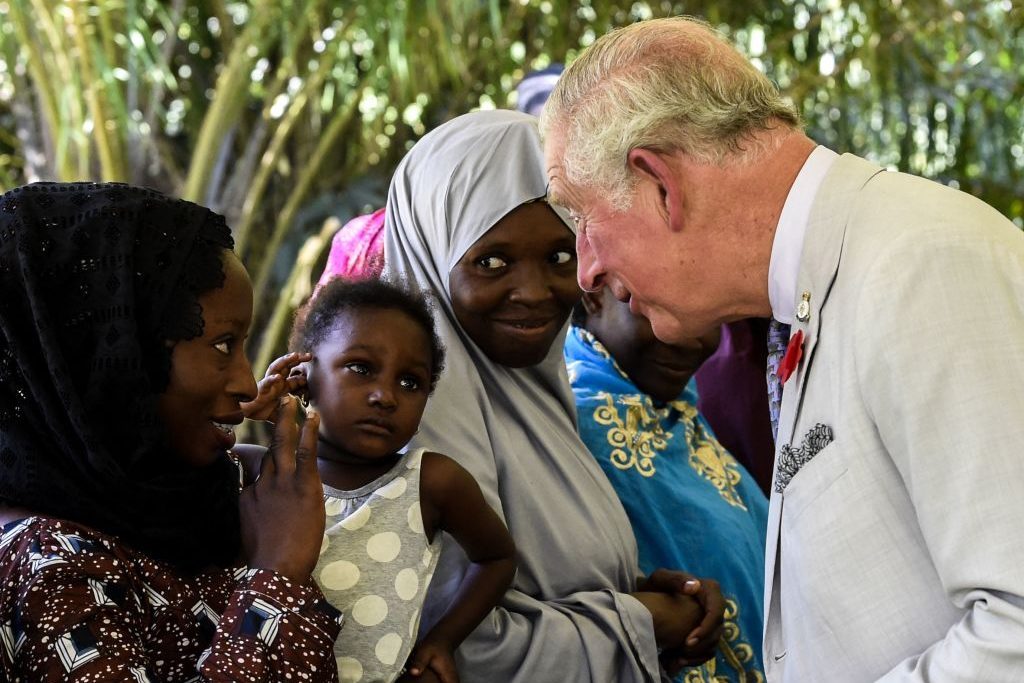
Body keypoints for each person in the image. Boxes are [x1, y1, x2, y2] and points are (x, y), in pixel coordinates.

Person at [541, 15, 1024, 683]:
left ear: (659, 183)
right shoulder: (824, 285)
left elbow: (1017, 620)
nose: (586, 269)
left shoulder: (919, 263)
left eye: (585, 220)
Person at [383, 109, 725, 683]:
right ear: (432, 255)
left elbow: (551, 585)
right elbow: (457, 656)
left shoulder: (536, 397)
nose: (535, 293)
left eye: (560, 256)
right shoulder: (407, 426)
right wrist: (646, 622)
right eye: (491, 262)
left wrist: (641, 589)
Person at [0, 182, 341, 681]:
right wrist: (277, 578)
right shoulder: (53, 568)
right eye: (224, 345)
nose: (248, 383)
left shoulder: (160, 498)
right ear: (115, 363)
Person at [275, 278, 516, 683]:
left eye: (410, 382)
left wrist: (442, 640)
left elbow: (497, 558)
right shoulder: (261, 474)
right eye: (361, 368)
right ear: (303, 374)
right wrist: (264, 410)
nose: (385, 396)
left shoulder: (429, 483)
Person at [566, 287, 768, 682]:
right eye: (657, 307)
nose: (689, 337)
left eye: (707, 316)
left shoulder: (677, 416)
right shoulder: (577, 431)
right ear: (594, 295)